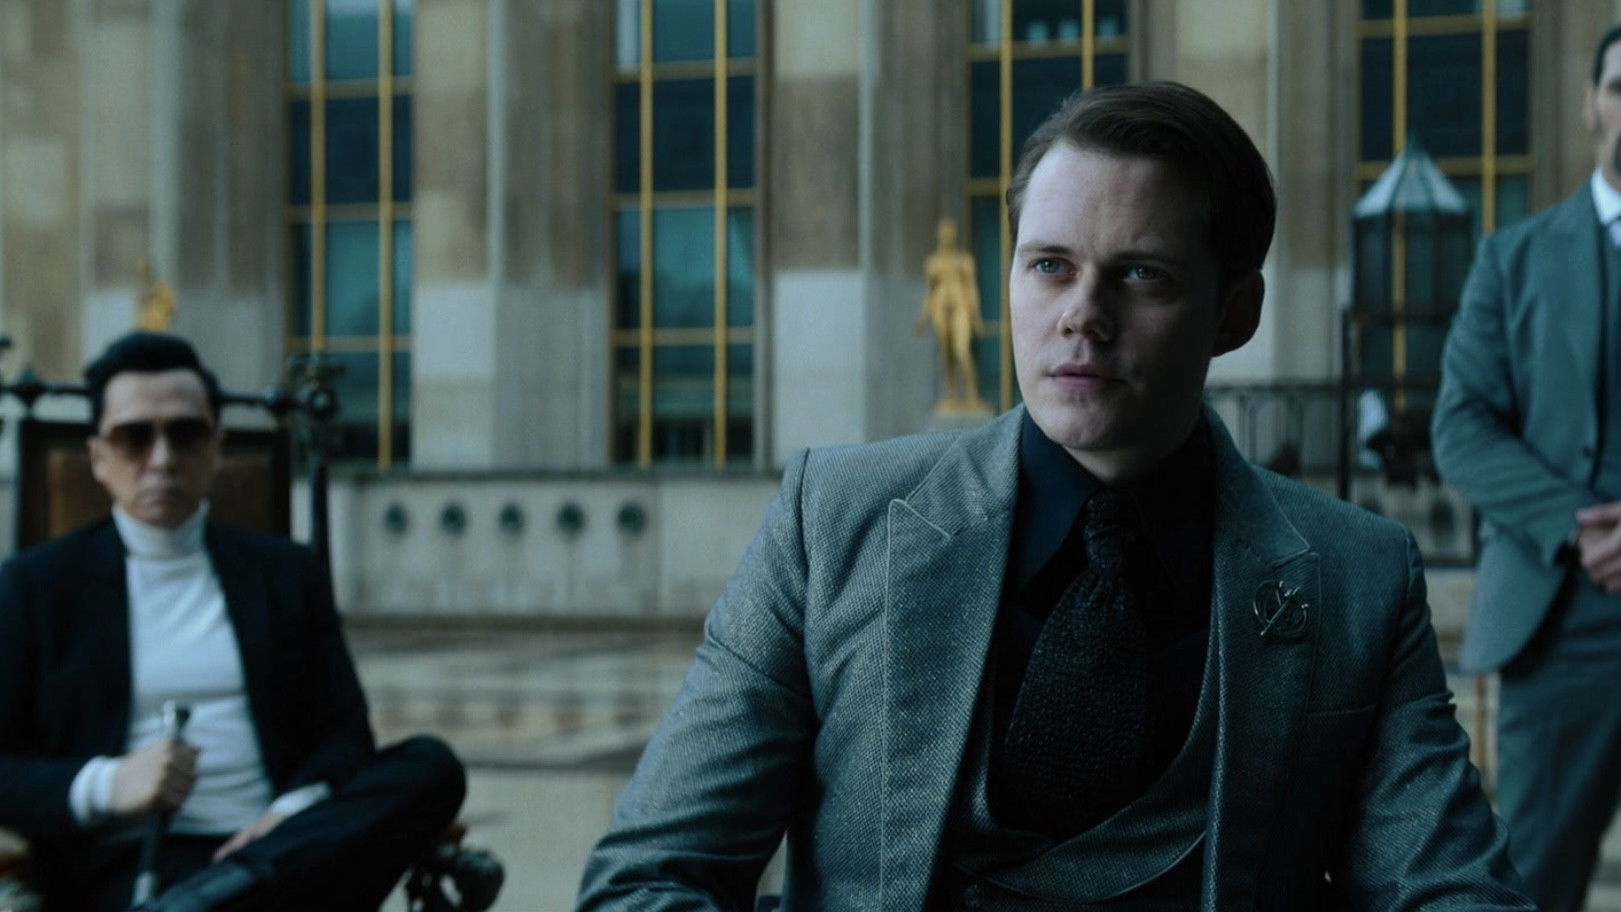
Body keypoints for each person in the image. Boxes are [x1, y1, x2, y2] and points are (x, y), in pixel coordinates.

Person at [579, 82, 1529, 910]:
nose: (1083, 315)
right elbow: (649, 878)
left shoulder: (1358, 576)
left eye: (1140, 275)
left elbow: (1449, 888)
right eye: (1049, 266)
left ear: (1234, 312)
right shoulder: (830, 522)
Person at [0, 332, 466, 911]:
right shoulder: (37, 587)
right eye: (135, 437)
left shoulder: (285, 573)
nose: (162, 459)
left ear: (217, 447)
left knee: (431, 765)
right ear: (98, 456)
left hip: (287, 844)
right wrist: (108, 783)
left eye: (186, 434)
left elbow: (345, 736)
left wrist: (288, 816)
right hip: (134, 863)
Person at [1432, 23, 1621, 912]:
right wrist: (1577, 526)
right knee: (1536, 881)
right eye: (1620, 88)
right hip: (1561, 617)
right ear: (1589, 104)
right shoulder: (1512, 258)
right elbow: (1460, 427)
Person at [917, 217, 988, 412]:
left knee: (961, 350)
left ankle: (972, 394)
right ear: (939, 236)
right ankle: (952, 395)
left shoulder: (963, 260)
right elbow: (929, 292)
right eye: (944, 234)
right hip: (940, 307)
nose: (947, 237)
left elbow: (971, 289)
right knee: (947, 354)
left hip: (960, 306)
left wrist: (976, 316)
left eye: (950, 234)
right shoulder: (933, 263)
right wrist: (923, 318)